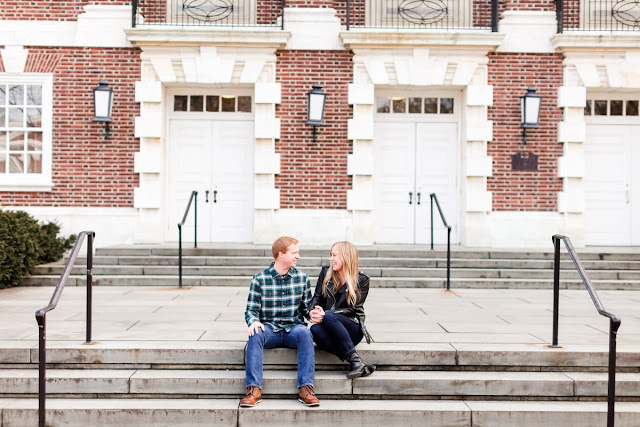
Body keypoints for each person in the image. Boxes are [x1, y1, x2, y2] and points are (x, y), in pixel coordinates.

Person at [240, 236, 319, 408]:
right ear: (280, 254)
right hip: (269, 330)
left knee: (306, 332)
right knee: (255, 333)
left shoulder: (302, 278)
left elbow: (306, 310)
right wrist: (253, 322)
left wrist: (315, 313)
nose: (298, 256)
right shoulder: (259, 279)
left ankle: (306, 388)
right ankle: (254, 389)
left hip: (294, 330)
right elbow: (251, 310)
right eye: (294, 253)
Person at [308, 241, 375, 379]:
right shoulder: (325, 272)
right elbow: (317, 298)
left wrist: (325, 314)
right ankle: (355, 361)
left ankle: (356, 361)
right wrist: (312, 312)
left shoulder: (362, 279)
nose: (331, 259)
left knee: (329, 317)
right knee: (314, 330)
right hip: (329, 326)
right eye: (330, 255)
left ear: (346, 256)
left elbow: (353, 309)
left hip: (352, 328)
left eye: (334, 255)